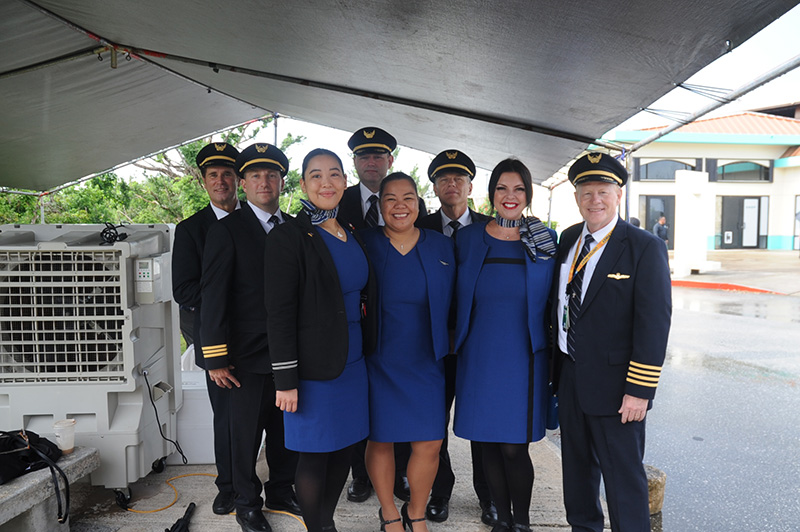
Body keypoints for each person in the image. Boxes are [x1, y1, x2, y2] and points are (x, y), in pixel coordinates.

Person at [552, 152, 671, 532]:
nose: (595, 200)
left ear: (619, 195)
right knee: (577, 478)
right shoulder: (569, 238)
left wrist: (640, 389)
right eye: (586, 192)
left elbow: (653, 324)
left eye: (603, 191)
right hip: (571, 380)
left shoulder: (643, 246)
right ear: (577, 197)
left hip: (619, 389)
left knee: (623, 482)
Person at [265, 148, 378, 532]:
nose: (326, 183)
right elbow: (278, 313)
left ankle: (325, 522)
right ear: (302, 184)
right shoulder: (289, 236)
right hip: (312, 371)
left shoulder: (351, 231)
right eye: (316, 175)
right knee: (314, 457)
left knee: (345, 453)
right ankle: (318, 528)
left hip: (353, 364)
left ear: (346, 182)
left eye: (334, 174)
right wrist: (285, 381)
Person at [453, 159, 557, 532]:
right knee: (488, 443)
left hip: (523, 357)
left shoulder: (545, 240)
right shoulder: (467, 238)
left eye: (518, 189)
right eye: (502, 188)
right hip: (478, 354)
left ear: (528, 194)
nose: (510, 196)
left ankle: (523, 523)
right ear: (491, 193)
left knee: (514, 446)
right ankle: (501, 519)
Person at [200, 143, 299, 532]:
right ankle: (246, 502)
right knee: (243, 437)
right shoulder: (227, 231)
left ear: (280, 181)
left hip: (288, 355)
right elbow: (213, 298)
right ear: (243, 183)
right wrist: (215, 357)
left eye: (271, 175)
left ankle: (281, 490)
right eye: (255, 175)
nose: (264, 182)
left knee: (284, 432)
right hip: (243, 357)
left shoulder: (294, 228)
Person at [361, 173, 455, 532]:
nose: (400, 206)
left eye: (408, 198)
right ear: (380, 205)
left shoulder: (442, 246)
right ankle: (388, 513)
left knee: (430, 441)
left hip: (426, 359)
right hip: (379, 358)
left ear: (419, 203)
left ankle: (416, 511)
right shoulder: (363, 241)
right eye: (390, 199)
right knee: (381, 438)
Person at [417, 150, 496, 526]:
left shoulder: (491, 227)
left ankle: (489, 494)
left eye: (459, 178)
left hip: (478, 345)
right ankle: (440, 490)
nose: (452, 185)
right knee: (434, 424)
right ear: (433, 186)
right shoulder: (419, 225)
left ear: (469, 185)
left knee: (482, 422)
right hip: (433, 344)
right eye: (444, 179)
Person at [337, 126, 417, 503]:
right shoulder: (338, 202)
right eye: (363, 156)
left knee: (394, 399)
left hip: (396, 323)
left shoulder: (408, 203)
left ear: (390, 160)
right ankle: (360, 476)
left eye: (378, 155)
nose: (371, 162)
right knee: (357, 400)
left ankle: (399, 472)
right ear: (354, 163)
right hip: (352, 321)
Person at [172, 141, 240, 515]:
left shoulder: (260, 221)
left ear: (238, 179)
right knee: (227, 417)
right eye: (213, 175)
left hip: (263, 339)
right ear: (203, 181)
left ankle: (280, 484)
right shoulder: (191, 229)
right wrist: (236, 297)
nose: (221, 181)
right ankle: (228, 485)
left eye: (227, 174)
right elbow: (183, 290)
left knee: (274, 416)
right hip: (218, 341)